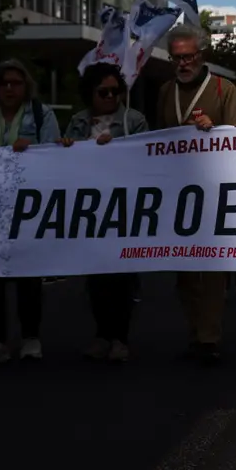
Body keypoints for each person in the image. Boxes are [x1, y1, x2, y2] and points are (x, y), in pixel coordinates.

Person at [154, 25, 236, 365]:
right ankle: (195, 331)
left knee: (211, 271)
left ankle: (209, 338)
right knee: (183, 272)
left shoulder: (224, 89)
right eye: (176, 57)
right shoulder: (166, 91)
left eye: (188, 56)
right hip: (177, 194)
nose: (182, 63)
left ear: (201, 56)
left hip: (215, 192)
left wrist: (217, 128)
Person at [0, 59, 60, 365]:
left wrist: (32, 149)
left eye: (15, 83)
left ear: (25, 86)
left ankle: (31, 338)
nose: (9, 88)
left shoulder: (43, 116)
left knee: (28, 277)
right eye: (4, 83)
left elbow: (57, 152)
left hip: (28, 206)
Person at [65, 62, 150, 362]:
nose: (111, 96)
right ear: (91, 93)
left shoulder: (134, 120)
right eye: (104, 91)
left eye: (116, 91)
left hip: (123, 206)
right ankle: (102, 334)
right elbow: (64, 160)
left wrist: (117, 148)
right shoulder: (77, 122)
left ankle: (120, 338)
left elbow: (146, 158)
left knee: (122, 277)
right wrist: (68, 147)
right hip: (89, 208)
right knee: (97, 278)